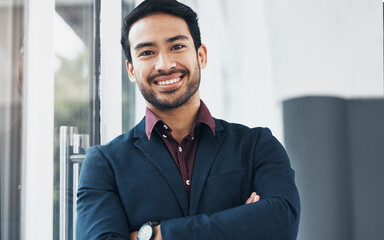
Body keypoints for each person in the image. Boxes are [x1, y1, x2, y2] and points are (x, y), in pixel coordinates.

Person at [76, 0, 300, 239]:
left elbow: (282, 221)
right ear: (131, 70)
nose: (165, 64)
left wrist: (156, 235)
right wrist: (239, 222)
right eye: (147, 52)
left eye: (177, 46)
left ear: (201, 55)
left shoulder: (256, 145)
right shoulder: (104, 164)